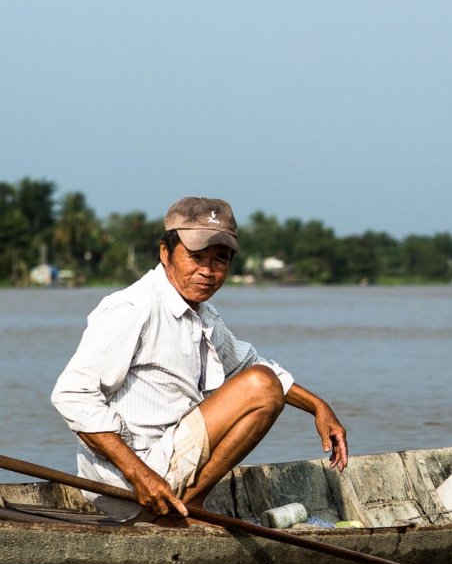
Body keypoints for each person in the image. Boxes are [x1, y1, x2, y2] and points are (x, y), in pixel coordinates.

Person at [51, 196, 347, 523]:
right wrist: (140, 475)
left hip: (166, 469)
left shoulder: (202, 314)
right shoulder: (134, 307)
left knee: (262, 382)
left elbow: (247, 363)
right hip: (129, 482)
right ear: (166, 253)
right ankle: (190, 508)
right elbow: (71, 396)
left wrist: (318, 407)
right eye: (195, 256)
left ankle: (189, 504)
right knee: (262, 387)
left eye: (220, 259)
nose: (207, 271)